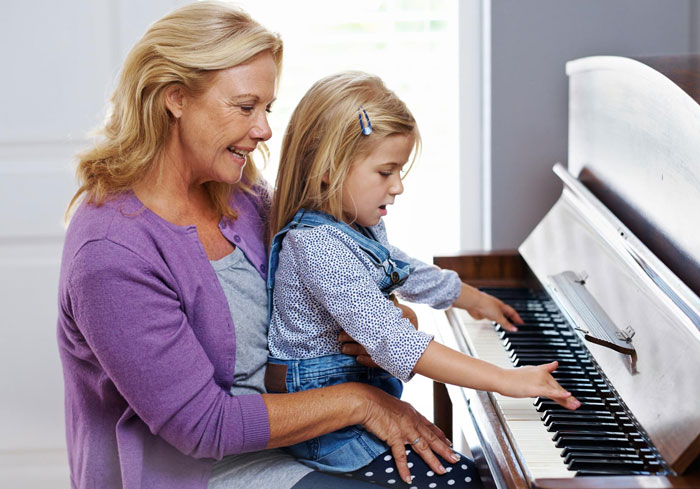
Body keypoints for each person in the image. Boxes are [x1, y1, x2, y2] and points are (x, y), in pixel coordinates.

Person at [56, 3, 464, 489]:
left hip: (303, 438)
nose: (265, 129)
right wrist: (361, 401)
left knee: (461, 475)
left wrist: (389, 323)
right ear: (176, 98)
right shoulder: (111, 253)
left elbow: (331, 276)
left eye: (266, 108)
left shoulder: (243, 193)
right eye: (246, 107)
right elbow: (204, 428)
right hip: (203, 471)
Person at [266, 71, 582, 486]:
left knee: (466, 468)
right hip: (327, 429)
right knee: (463, 477)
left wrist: (470, 297)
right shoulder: (316, 246)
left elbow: (402, 267)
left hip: (355, 403)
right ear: (328, 169)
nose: (398, 186)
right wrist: (506, 379)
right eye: (385, 172)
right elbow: (397, 344)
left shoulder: (351, 226)